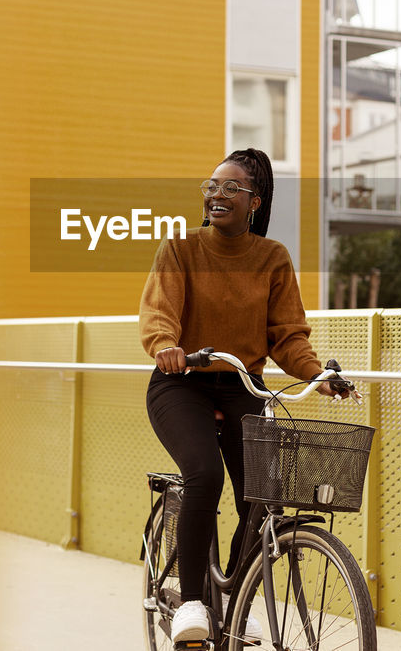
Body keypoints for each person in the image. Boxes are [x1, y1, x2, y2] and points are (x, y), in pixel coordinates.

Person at [140, 148, 354, 643]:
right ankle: (192, 602)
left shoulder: (272, 258)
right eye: (211, 187)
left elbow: (287, 335)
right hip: (181, 383)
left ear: (254, 201)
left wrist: (318, 373)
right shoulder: (180, 248)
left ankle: (238, 600)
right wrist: (167, 346)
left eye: (230, 188)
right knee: (204, 474)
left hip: (242, 386)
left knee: (264, 497)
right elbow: (158, 312)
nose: (217, 195)